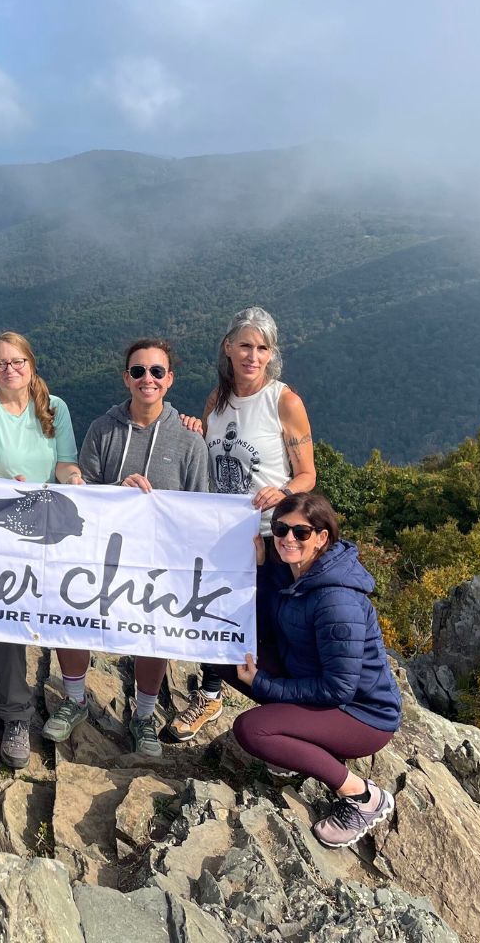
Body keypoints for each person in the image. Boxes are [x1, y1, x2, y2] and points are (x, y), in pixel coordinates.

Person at [42, 338, 210, 757]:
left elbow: (198, 506)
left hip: (159, 558)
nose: (147, 379)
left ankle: (144, 716)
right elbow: (86, 497)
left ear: (169, 380)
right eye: (138, 371)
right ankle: (76, 699)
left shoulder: (189, 441)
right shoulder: (103, 428)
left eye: (156, 372)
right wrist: (118, 491)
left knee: (154, 632)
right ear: (126, 378)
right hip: (102, 550)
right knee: (71, 612)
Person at [168, 306, 316, 742]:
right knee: (214, 612)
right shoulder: (217, 401)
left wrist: (285, 490)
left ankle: (293, 713)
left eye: (262, 348)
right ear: (228, 348)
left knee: (272, 624)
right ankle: (210, 695)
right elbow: (209, 460)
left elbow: (308, 473)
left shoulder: (284, 401)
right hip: (222, 530)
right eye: (245, 345)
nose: (253, 355)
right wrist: (195, 432)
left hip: (273, 534)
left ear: (272, 354)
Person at [228, 493, 401, 848]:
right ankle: (297, 743)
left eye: (301, 532)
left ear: (322, 537)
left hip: (363, 714)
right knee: (227, 656)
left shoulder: (337, 600)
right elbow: (265, 629)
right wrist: (260, 572)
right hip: (312, 683)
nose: (288, 538)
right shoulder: (289, 570)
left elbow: (339, 689)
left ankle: (363, 797)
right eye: (281, 529)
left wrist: (265, 685)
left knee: (252, 731)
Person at [0, 331, 82, 768]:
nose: (9, 370)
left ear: (31, 364)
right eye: (0, 364)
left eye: (17, 362)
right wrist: (6, 490)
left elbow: (65, 461)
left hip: (50, 526)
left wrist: (72, 480)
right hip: (5, 532)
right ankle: (15, 715)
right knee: (9, 614)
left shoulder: (56, 408)